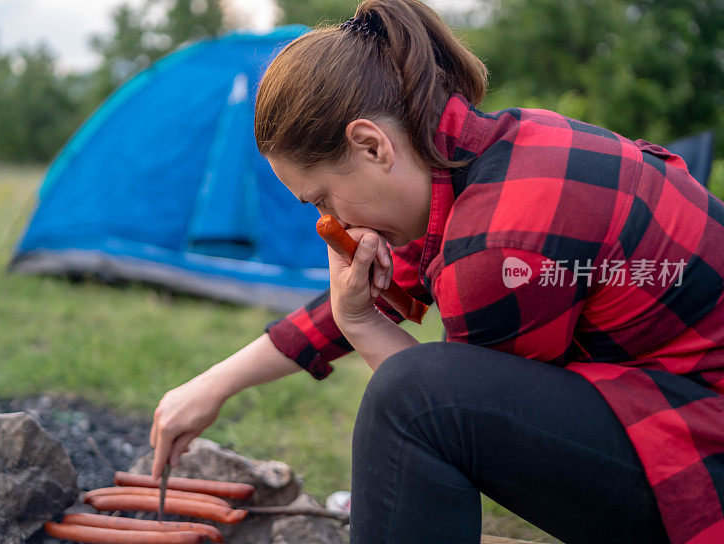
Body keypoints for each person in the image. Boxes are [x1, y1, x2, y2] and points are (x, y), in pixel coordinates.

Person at [149, 1, 724, 542]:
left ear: (371, 146)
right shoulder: (486, 159)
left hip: (704, 452)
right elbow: (380, 288)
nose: (330, 222)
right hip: (682, 398)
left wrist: (366, 329)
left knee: (410, 399)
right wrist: (212, 385)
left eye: (323, 199)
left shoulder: (497, 244)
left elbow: (446, 411)